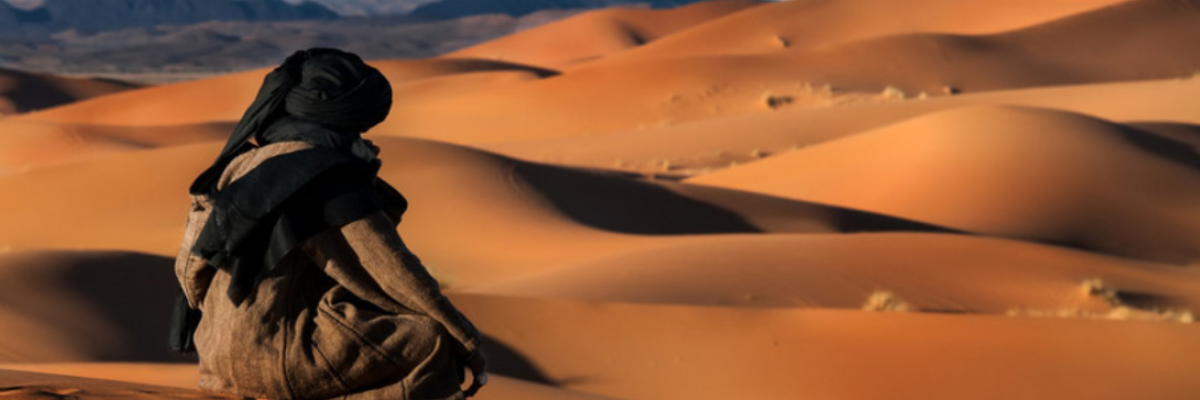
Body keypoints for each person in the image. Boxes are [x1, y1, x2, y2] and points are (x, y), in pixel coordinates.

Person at [168, 48, 487, 400]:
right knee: (430, 340)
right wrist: (466, 342)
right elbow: (391, 270)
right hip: (283, 361)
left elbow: (190, 270)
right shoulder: (324, 176)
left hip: (216, 364)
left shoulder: (241, 165)